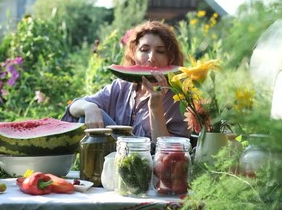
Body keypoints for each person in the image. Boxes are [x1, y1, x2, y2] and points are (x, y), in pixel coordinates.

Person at [61, 21, 190, 141]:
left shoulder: (178, 97)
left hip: (148, 161)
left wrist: (155, 108)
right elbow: (74, 106)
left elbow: (169, 152)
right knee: (86, 114)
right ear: (134, 54)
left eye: (160, 51)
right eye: (144, 50)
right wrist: (90, 107)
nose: (151, 58)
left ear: (170, 58)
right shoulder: (121, 87)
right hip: (110, 159)